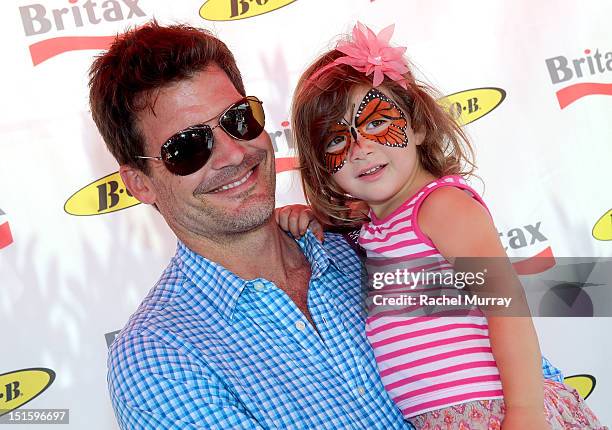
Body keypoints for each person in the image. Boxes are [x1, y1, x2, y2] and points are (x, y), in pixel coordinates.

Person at [88, 21, 417, 429]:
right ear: (140, 184)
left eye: (238, 119)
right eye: (187, 147)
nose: (232, 153)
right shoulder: (159, 358)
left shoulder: (364, 239)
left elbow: (496, 332)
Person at [288, 22, 606, 429]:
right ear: (322, 169)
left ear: (418, 126)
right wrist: (306, 215)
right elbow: (345, 223)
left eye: (376, 122)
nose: (360, 148)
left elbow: (506, 305)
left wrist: (525, 413)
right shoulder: (374, 226)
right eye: (334, 140)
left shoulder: (441, 207)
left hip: (496, 412)